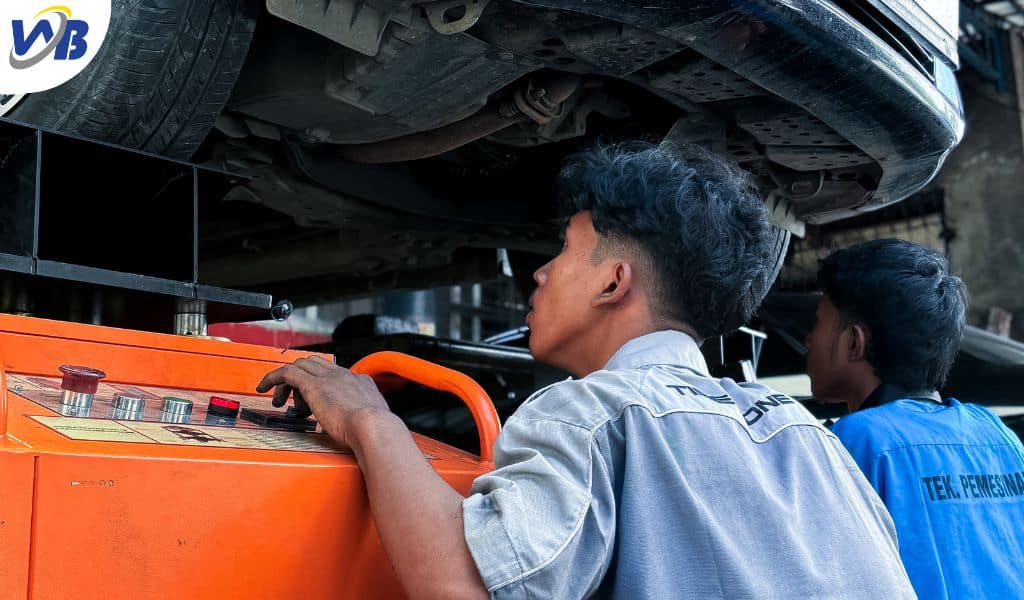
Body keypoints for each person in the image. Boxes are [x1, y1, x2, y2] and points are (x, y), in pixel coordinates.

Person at [258, 143, 913, 599]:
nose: (538, 274)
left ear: (612, 281)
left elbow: (466, 582)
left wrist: (369, 418)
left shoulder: (593, 412)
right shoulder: (806, 432)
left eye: (563, 253)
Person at [805, 239, 1024, 599]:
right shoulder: (997, 434)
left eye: (818, 323)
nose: (809, 340)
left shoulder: (858, 441)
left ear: (854, 343)